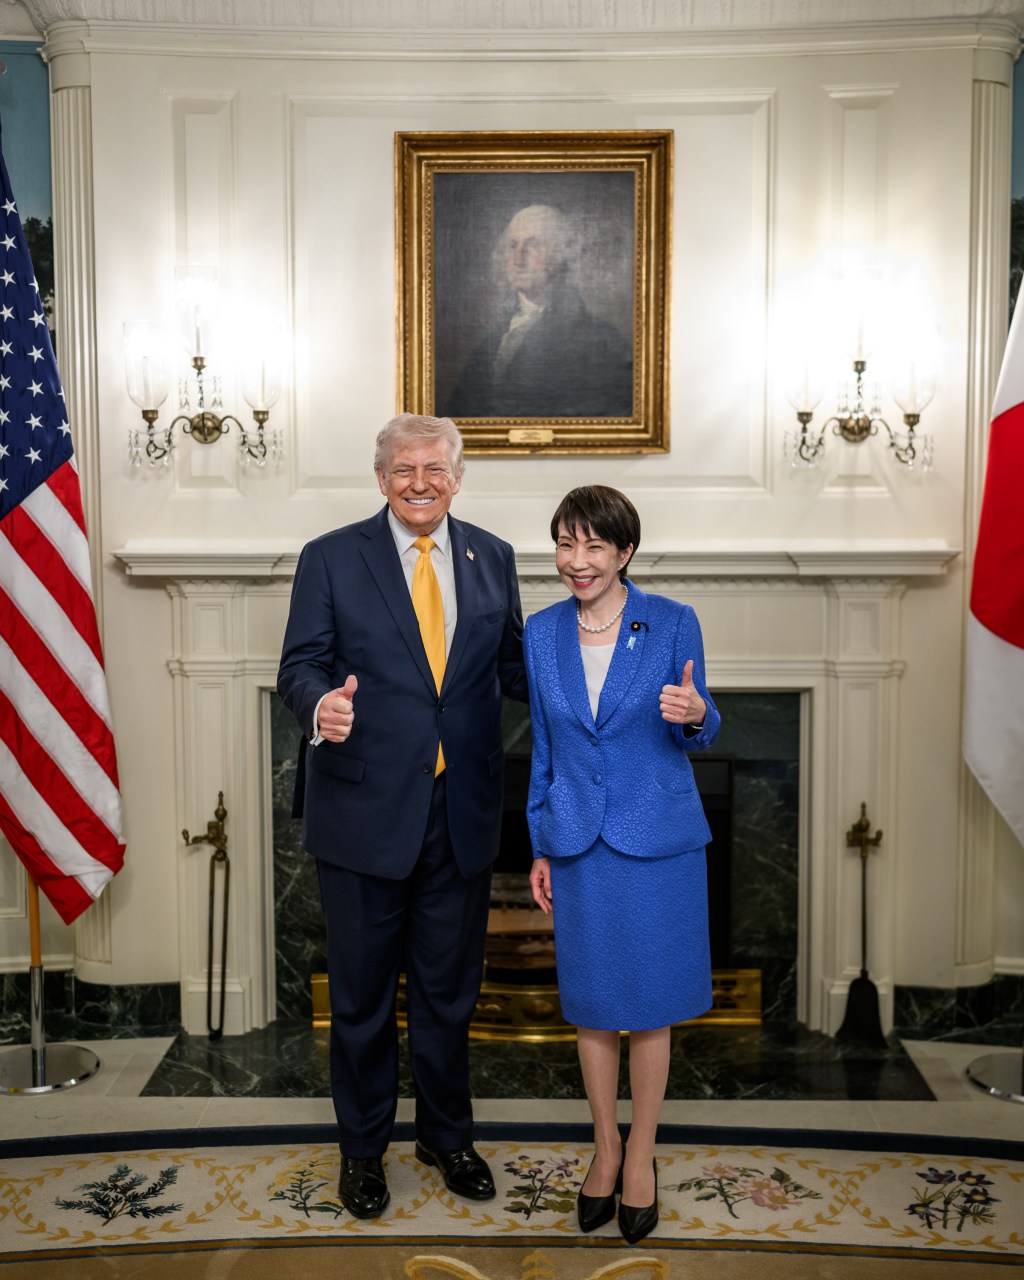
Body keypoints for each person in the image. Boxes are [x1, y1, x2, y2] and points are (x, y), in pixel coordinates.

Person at [278, 413, 527, 1220]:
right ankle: (362, 1152)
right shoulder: (330, 557)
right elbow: (301, 665)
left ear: (457, 478)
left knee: (450, 996)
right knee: (359, 999)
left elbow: (519, 668)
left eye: (435, 468)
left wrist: (609, 669)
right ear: (380, 478)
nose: (419, 482)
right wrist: (323, 708)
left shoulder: (493, 557)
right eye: (402, 469)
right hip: (361, 815)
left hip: (460, 815)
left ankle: (446, 1137)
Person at [524, 485, 720, 1245]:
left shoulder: (671, 621)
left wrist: (699, 717)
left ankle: (642, 1154)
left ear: (624, 552)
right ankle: (604, 1147)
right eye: (566, 546)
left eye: (594, 547)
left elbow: (701, 716)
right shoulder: (541, 633)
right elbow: (543, 743)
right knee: (594, 1005)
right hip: (577, 841)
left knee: (651, 1007)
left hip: (658, 841)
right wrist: (540, 840)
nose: (578, 562)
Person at [441, 204, 633, 419]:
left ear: (562, 254)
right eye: (512, 246)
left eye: (533, 246)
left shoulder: (603, 343)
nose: (518, 259)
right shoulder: (491, 343)